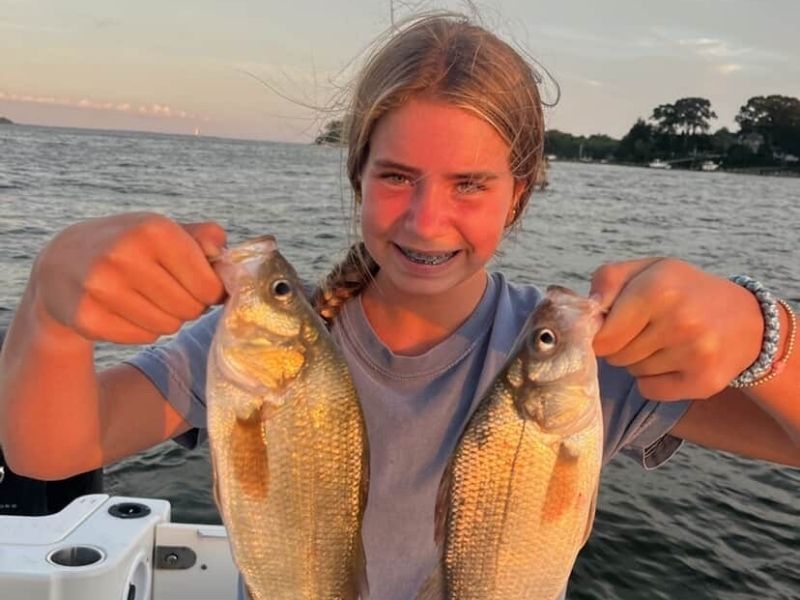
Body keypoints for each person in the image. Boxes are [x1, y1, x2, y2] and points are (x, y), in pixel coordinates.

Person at [0, 12, 797, 600]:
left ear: (518, 196)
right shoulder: (260, 346)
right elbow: (51, 453)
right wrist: (50, 313)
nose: (425, 220)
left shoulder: (574, 369)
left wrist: (765, 335)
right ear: (357, 176)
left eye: (470, 185)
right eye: (396, 177)